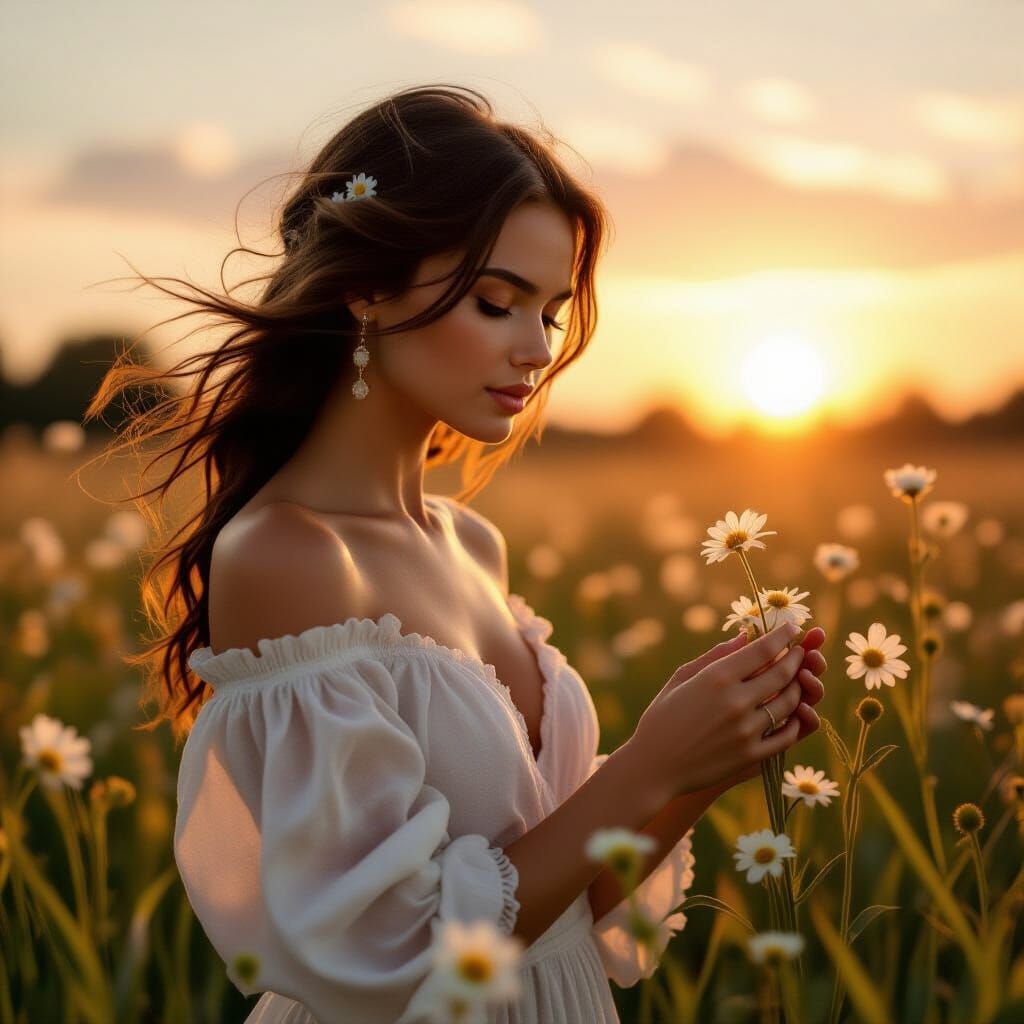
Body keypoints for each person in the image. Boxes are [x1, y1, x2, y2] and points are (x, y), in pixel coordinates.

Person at [88, 83, 826, 1023]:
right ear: (364, 283)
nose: (535, 349)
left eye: (550, 312)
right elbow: (401, 954)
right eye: (496, 302)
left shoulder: (475, 544)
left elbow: (567, 900)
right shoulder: (283, 556)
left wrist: (699, 763)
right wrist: (647, 764)